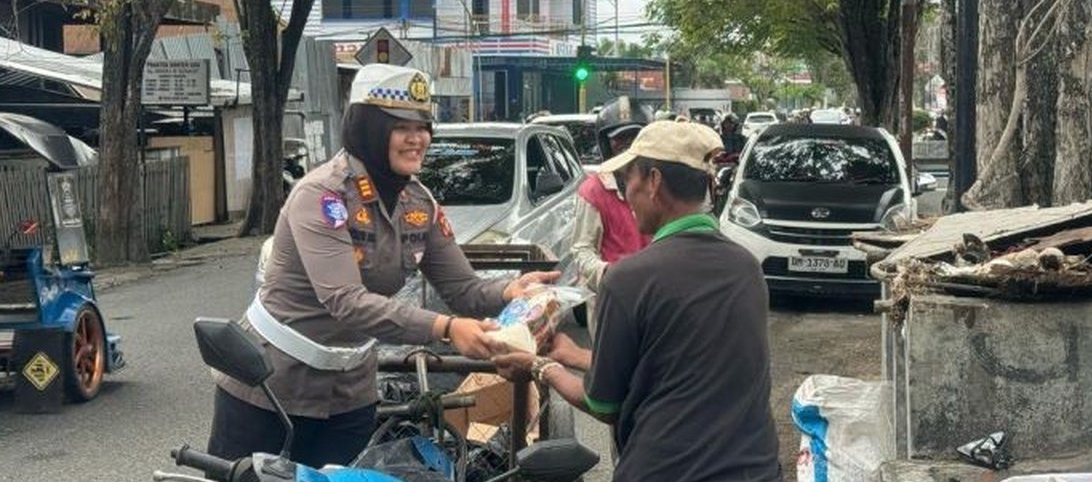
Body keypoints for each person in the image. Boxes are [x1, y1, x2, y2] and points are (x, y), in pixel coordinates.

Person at [207, 64, 556, 468]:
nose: (417, 139)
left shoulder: (419, 203)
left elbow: (464, 290)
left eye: (423, 127)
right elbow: (345, 300)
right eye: (401, 127)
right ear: (369, 129)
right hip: (270, 388)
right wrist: (446, 328)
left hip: (350, 392)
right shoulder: (323, 195)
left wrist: (510, 290)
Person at [494, 121, 783, 482]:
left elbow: (603, 405)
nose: (626, 193)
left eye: (628, 179)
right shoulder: (746, 268)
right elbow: (678, 366)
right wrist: (575, 355)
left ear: (654, 182)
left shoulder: (628, 279)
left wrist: (540, 367)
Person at [568, 96, 653, 333]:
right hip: (613, 298)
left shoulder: (658, 183)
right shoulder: (593, 191)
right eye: (619, 139)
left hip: (654, 292)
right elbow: (582, 249)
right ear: (607, 144)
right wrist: (608, 272)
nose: (627, 145)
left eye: (633, 137)